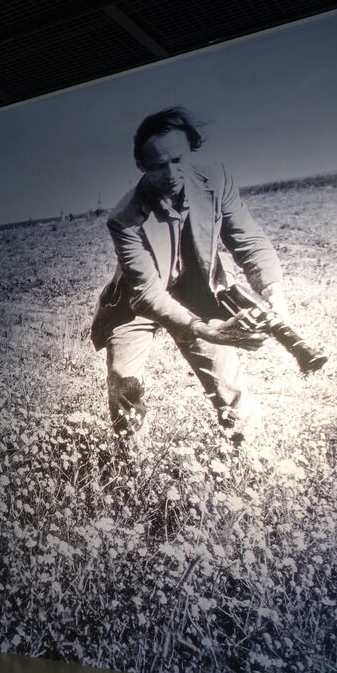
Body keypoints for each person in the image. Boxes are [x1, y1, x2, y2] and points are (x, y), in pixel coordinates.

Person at [90, 107, 289, 440]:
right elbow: (147, 294)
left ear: (191, 150)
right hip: (136, 305)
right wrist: (210, 332)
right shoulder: (124, 219)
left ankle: (247, 454)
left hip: (197, 296)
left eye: (178, 160)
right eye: (158, 166)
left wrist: (275, 295)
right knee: (125, 383)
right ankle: (130, 459)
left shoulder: (217, 180)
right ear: (141, 165)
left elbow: (249, 242)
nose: (171, 173)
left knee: (228, 385)